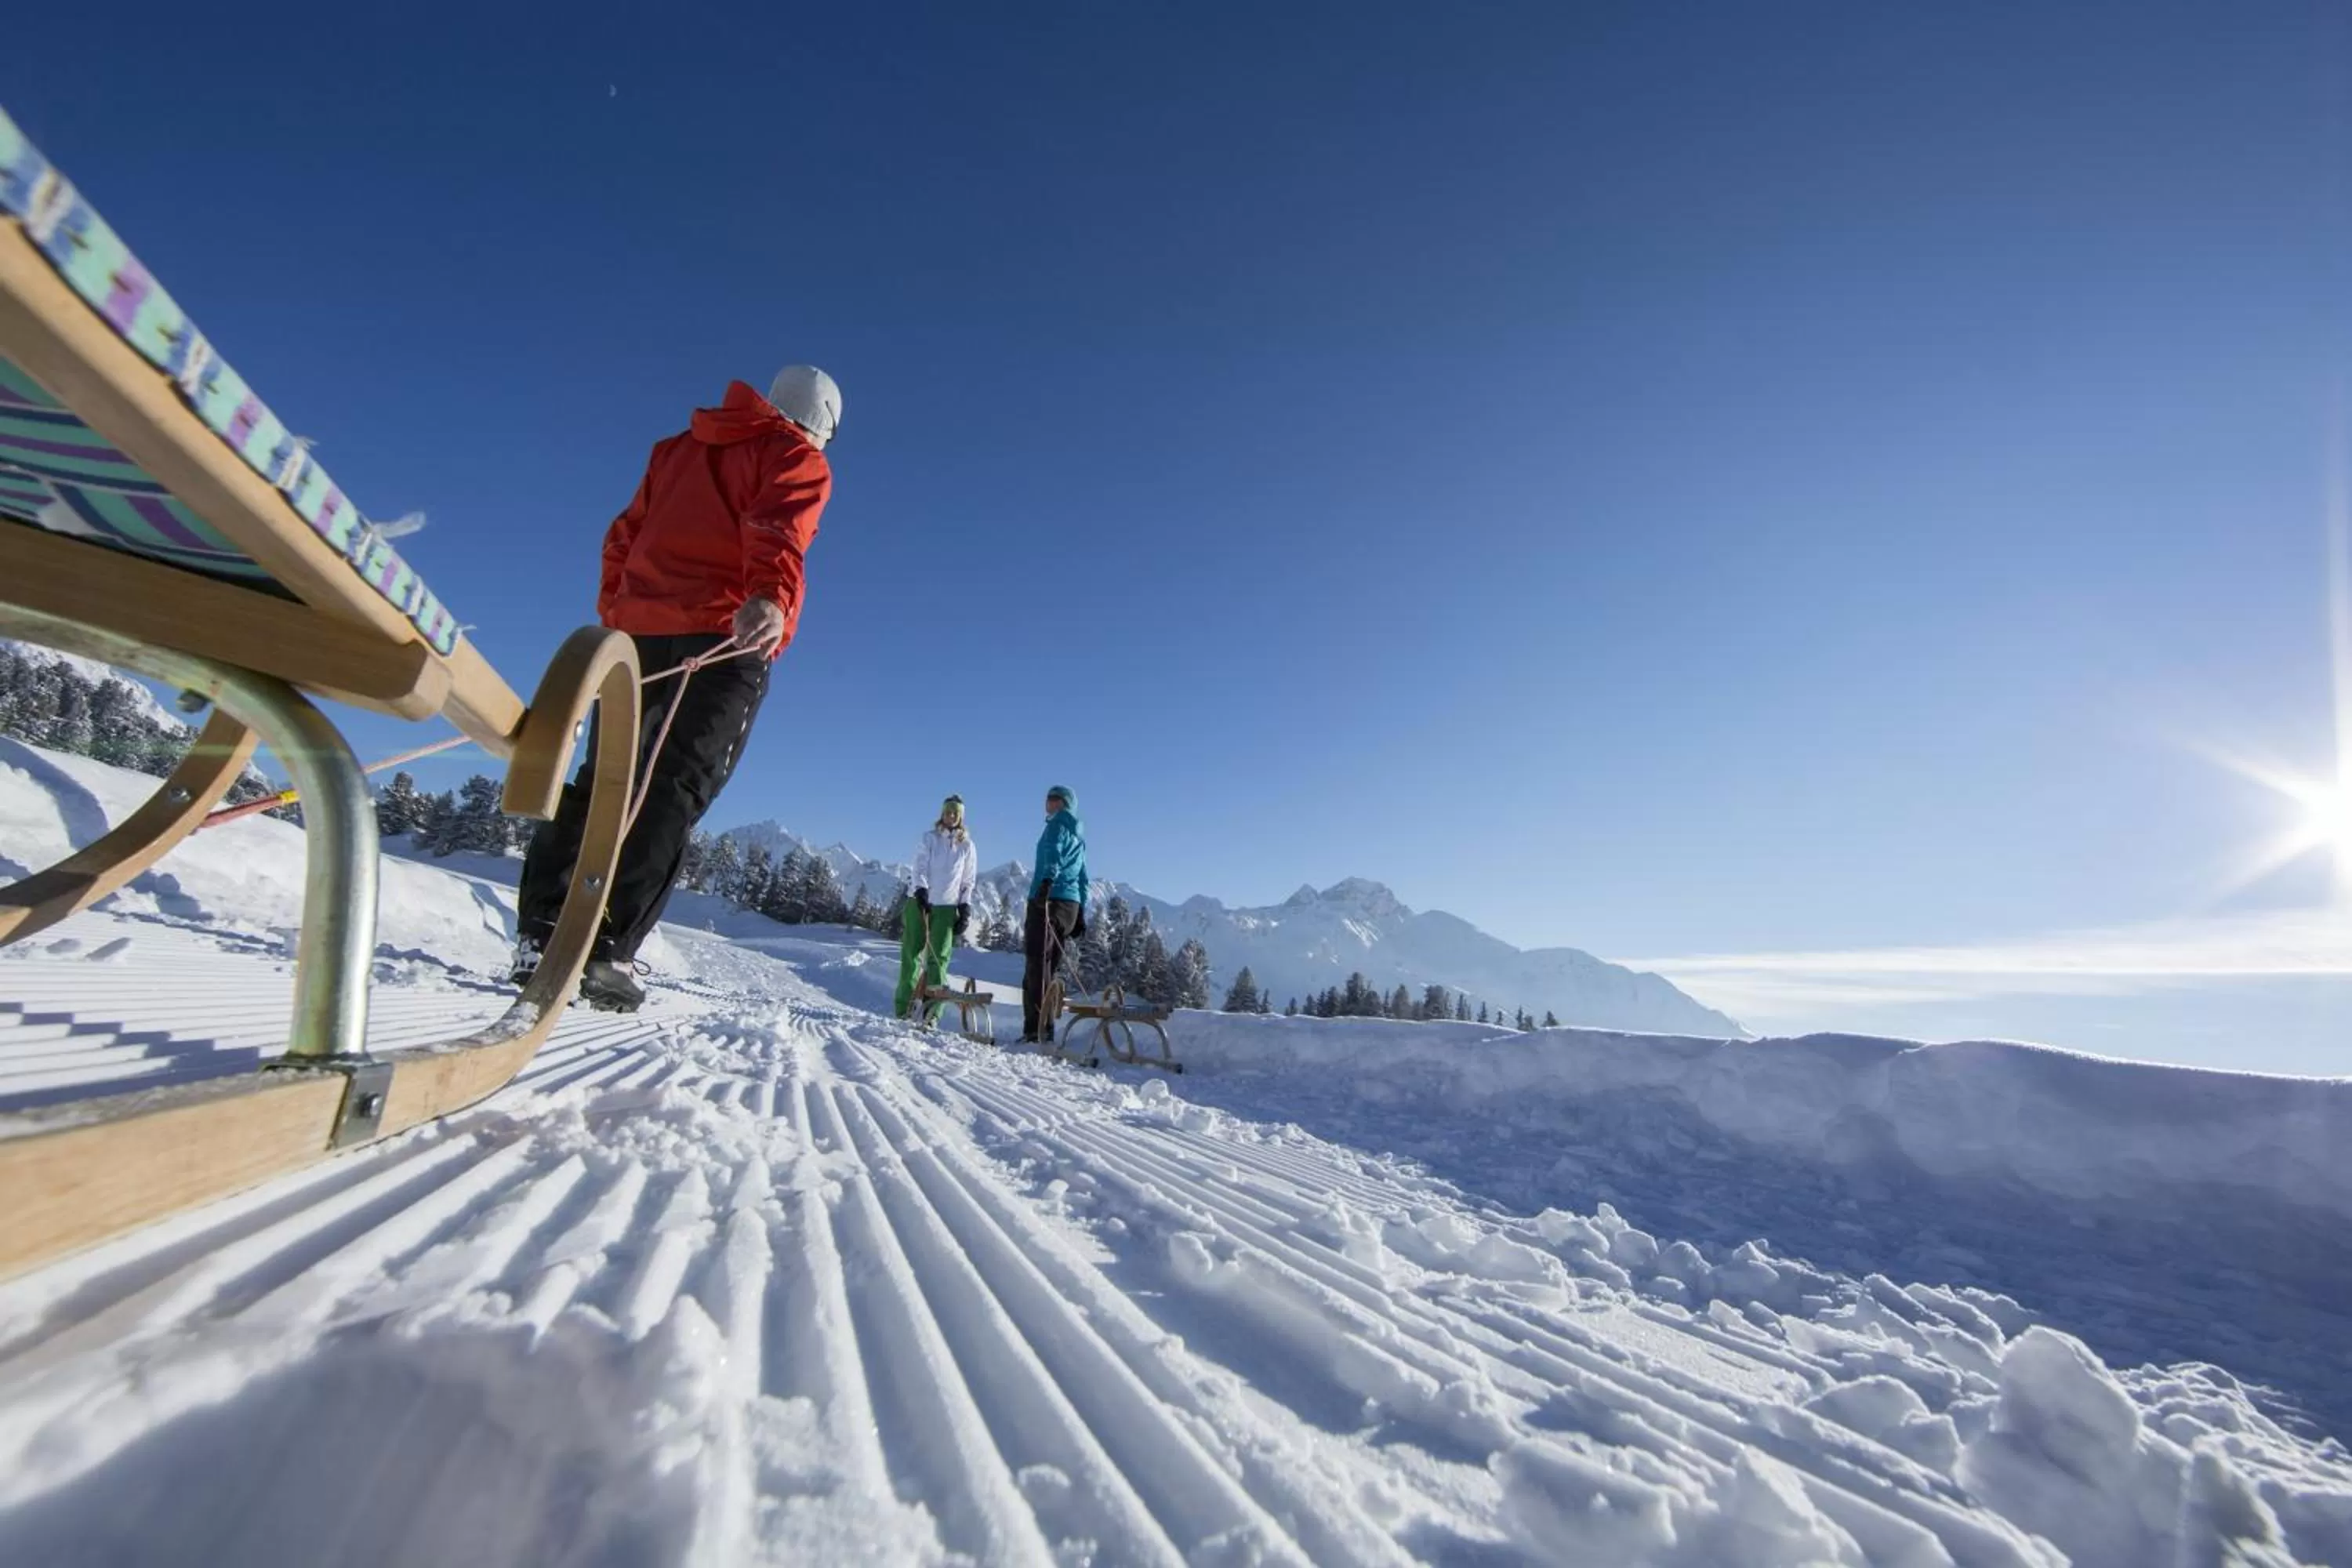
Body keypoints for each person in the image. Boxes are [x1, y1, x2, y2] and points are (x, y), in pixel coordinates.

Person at [514, 365, 841, 1011]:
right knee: (676, 786)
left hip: (635, 635)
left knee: (606, 777)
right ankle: (608, 949)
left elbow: (624, 534)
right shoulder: (793, 454)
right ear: (821, 421)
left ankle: (540, 930)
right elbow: (777, 527)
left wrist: (620, 612)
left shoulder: (679, 448)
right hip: (727, 636)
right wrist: (769, 599)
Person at [895, 794, 978, 1021]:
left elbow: (967, 881)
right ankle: (904, 1009)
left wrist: (965, 907)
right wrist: (921, 890)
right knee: (911, 955)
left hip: (947, 908)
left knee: (939, 960)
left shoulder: (967, 846)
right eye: (947, 812)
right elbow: (919, 865)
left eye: (955, 813)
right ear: (942, 814)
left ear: (961, 817)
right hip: (920, 903)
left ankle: (932, 1014)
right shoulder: (929, 838)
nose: (950, 816)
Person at [1020, 785, 1088, 1044]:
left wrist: (1046, 883)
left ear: (1064, 804)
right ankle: (1044, 1027)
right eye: (1048, 798)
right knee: (1049, 965)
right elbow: (1083, 877)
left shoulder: (1056, 826)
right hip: (1069, 906)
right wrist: (1081, 911)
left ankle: (1036, 1030)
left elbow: (1053, 853)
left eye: (1054, 799)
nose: (1048, 803)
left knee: (1037, 965)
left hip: (1048, 900)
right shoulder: (1079, 836)